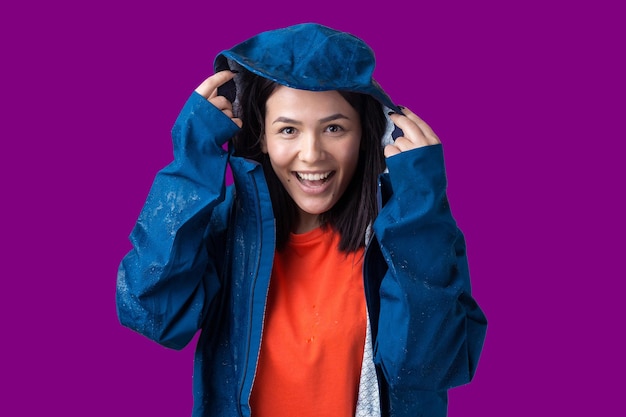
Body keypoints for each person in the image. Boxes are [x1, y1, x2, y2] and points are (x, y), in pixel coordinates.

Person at [116, 22, 487, 417]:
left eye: (334, 128)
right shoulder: (223, 234)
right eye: (288, 129)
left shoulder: (408, 237)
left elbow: (432, 366)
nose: (312, 154)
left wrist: (419, 206)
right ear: (262, 137)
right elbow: (153, 315)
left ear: (366, 134)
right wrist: (192, 161)